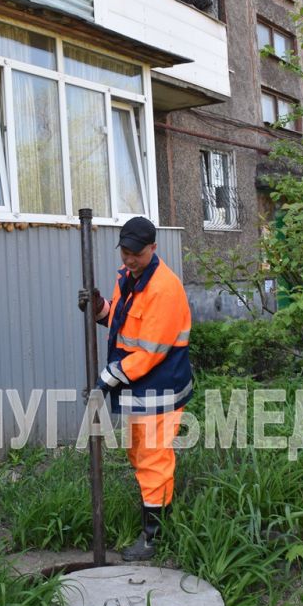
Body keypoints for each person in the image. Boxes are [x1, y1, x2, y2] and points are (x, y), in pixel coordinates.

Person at [78, 217, 193, 561]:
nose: (129, 259)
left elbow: (150, 352)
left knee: (153, 457)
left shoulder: (164, 289)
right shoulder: (128, 277)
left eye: (136, 253)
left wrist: (105, 379)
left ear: (153, 248)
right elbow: (121, 322)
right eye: (125, 252)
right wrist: (99, 307)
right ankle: (157, 510)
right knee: (139, 453)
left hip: (161, 386)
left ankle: (154, 537)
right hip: (138, 385)